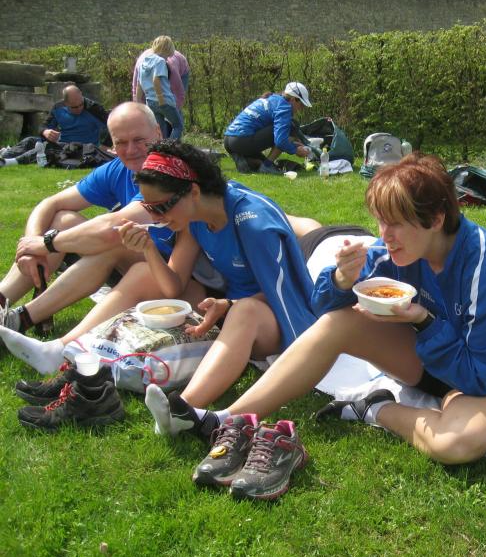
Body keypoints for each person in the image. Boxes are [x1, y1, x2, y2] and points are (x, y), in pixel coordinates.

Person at [143, 153, 486, 498]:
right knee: (339, 322)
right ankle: (222, 420)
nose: (384, 236)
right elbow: (322, 307)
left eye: (395, 223)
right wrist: (342, 279)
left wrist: (424, 320)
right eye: (380, 222)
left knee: (457, 444)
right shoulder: (397, 250)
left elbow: (479, 376)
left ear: (435, 219)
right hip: (433, 358)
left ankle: (372, 408)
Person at [0, 140, 320, 382]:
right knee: (143, 271)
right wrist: (150, 250)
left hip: (257, 313)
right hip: (219, 301)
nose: (155, 217)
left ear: (192, 192)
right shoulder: (194, 219)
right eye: (149, 208)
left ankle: (194, 408)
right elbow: (173, 286)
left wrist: (231, 306)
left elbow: (284, 293)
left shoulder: (248, 220)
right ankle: (62, 348)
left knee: (243, 310)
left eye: (160, 207)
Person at [0, 102, 172, 336]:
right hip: (140, 264)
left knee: (115, 239)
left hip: (175, 279)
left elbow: (112, 228)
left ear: (158, 133)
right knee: (63, 219)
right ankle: (3, 298)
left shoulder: (169, 171)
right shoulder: (118, 169)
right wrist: (30, 246)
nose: (131, 150)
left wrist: (46, 243)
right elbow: (50, 204)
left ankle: (18, 320)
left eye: (139, 139)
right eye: (121, 142)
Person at [0, 85, 112, 168]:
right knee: (30, 141)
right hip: (62, 144)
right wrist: (45, 132)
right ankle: (5, 155)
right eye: (74, 107)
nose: (79, 108)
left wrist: (105, 145)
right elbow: (43, 126)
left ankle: (11, 162)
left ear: (82, 96)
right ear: (66, 103)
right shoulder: (58, 108)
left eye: (81, 104)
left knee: (47, 148)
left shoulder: (95, 109)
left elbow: (114, 126)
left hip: (82, 149)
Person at [223, 82, 312, 175]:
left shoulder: (273, 98)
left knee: (262, 161)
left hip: (228, 140)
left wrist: (293, 143)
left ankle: (245, 160)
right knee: (291, 126)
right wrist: (295, 150)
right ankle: (267, 166)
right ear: (293, 99)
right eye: (301, 105)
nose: (301, 109)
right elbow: (280, 141)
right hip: (241, 140)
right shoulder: (284, 108)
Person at [132, 37, 190, 131]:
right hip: (163, 100)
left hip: (150, 101)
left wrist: (139, 104)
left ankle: (163, 140)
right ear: (167, 51)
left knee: (159, 128)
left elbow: (140, 83)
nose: (167, 59)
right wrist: (161, 101)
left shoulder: (144, 62)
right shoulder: (161, 62)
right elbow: (155, 80)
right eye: (167, 56)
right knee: (178, 126)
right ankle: (172, 140)